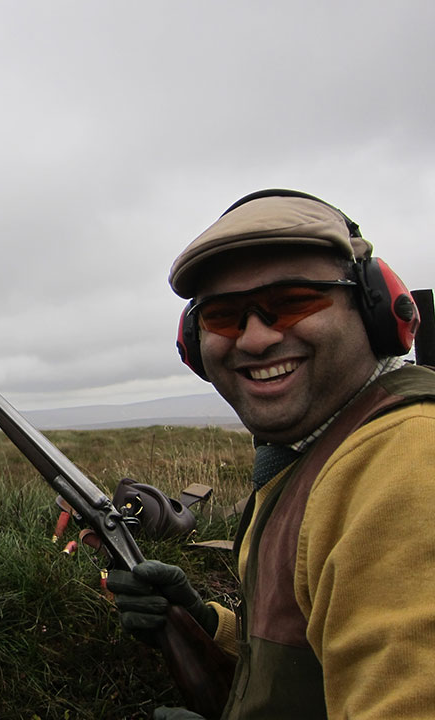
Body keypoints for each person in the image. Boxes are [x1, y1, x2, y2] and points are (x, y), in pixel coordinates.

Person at [107, 189, 435, 719]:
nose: (255, 339)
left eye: (295, 301)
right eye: (222, 315)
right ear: (194, 341)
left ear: (376, 308)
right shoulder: (313, 450)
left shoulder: (408, 465)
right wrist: (213, 626)